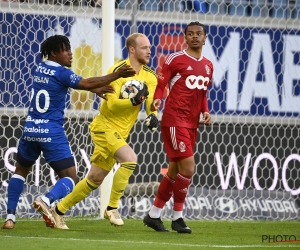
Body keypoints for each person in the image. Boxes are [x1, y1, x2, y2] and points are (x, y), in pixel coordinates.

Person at [1, 35, 135, 230]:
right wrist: (118, 74)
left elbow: (64, 86)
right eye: (65, 50)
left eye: (70, 49)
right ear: (54, 53)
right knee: (71, 178)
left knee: (20, 171)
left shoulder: (40, 68)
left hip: (30, 128)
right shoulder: (62, 73)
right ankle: (46, 200)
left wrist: (93, 89)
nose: (71, 53)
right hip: (50, 131)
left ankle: (10, 218)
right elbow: (85, 82)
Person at [41, 33, 159, 229]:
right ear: (132, 49)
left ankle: (58, 210)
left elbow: (150, 103)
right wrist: (131, 101)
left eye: (149, 47)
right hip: (104, 127)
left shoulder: (150, 76)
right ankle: (112, 208)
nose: (149, 50)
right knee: (130, 158)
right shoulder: (118, 72)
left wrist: (152, 114)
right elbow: (111, 105)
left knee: (94, 179)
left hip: (121, 132)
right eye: (144, 47)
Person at [143, 21, 213, 233]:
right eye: (190, 34)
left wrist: (205, 111)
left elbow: (202, 93)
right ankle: (177, 217)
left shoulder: (208, 65)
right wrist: (157, 100)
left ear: (205, 37)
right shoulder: (175, 59)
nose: (194, 37)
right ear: (185, 37)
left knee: (174, 170)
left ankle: (154, 215)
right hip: (174, 120)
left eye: (198, 34)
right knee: (189, 168)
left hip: (192, 123)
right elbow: (161, 83)